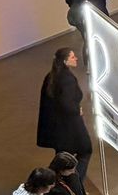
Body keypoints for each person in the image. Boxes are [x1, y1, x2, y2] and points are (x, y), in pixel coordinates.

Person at [37, 46, 94, 186]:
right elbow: (66, 104)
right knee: (85, 150)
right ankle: (74, 185)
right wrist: (77, 110)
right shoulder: (67, 79)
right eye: (72, 57)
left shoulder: (51, 76)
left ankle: (53, 183)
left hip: (57, 129)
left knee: (62, 158)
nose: (76, 59)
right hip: (70, 127)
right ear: (65, 61)